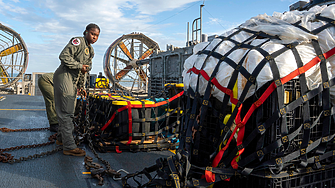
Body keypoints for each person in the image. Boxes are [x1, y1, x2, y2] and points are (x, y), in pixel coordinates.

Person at [54, 23, 100, 156]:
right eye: (92, 34)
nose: (94, 37)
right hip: (64, 76)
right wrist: (79, 66)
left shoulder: (90, 51)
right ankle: (69, 146)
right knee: (66, 113)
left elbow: (84, 71)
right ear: (86, 32)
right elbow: (63, 56)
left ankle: (61, 139)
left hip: (73, 81)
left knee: (70, 110)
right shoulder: (78, 41)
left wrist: (82, 86)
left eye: (97, 36)